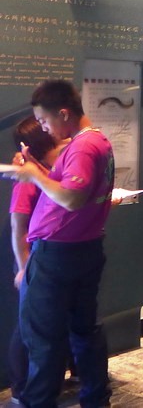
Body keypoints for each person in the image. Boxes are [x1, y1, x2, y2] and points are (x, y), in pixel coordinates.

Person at [10, 80, 114, 408]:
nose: (43, 127)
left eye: (44, 120)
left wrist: (34, 176)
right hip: (84, 249)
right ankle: (96, 399)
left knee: (44, 339)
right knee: (84, 331)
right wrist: (38, 169)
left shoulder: (83, 147)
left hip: (58, 256)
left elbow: (71, 198)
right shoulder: (97, 141)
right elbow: (69, 188)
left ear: (64, 113)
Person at [7, 117, 72, 405]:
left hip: (50, 260)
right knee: (28, 327)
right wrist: (23, 267)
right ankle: (21, 390)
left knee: (42, 325)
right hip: (33, 261)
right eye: (46, 125)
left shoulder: (48, 171)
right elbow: (17, 227)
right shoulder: (28, 181)